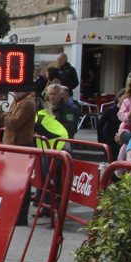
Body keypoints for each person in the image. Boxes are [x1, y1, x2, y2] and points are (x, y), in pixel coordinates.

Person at [0, 90, 37, 225]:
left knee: (22, 182)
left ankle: (21, 216)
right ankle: (12, 212)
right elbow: (6, 122)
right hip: (13, 144)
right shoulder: (18, 102)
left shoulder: (27, 103)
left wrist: (0, 112)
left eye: (18, 89)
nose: (15, 92)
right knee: (12, 181)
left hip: (22, 144)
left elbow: (14, 123)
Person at [33, 84, 75, 217]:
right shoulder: (44, 111)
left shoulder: (69, 110)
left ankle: (49, 202)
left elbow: (69, 130)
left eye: (54, 94)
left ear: (61, 95)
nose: (52, 97)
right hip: (45, 149)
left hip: (61, 150)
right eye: (50, 94)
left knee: (50, 173)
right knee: (41, 171)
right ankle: (43, 200)